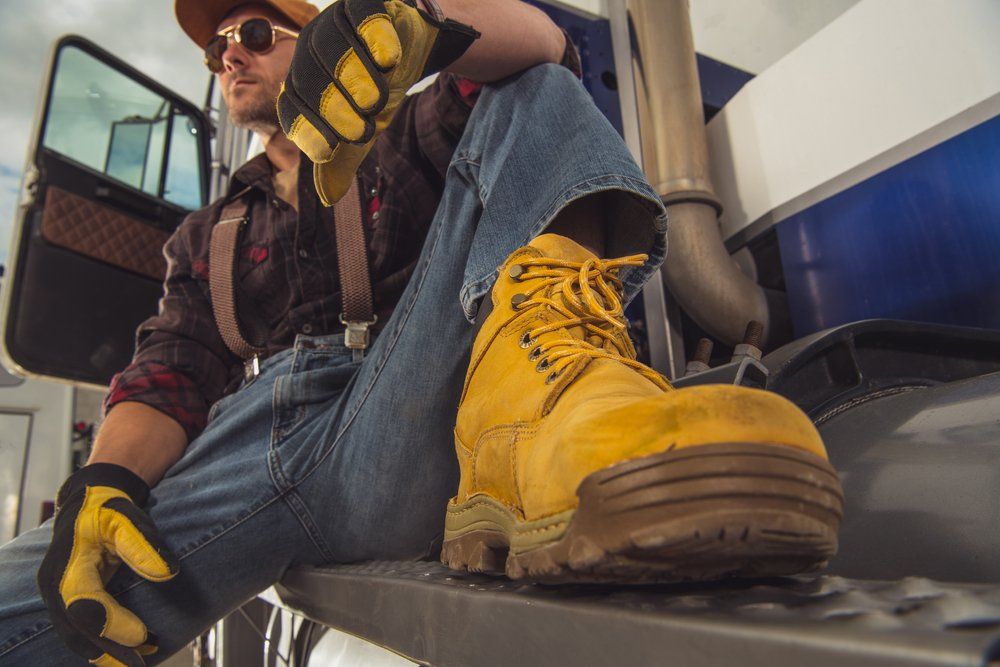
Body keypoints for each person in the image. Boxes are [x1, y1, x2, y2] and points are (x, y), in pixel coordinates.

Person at [0, 0, 844, 664]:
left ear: (313, 36)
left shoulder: (403, 133)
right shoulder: (203, 232)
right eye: (216, 46)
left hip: (397, 419)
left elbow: (546, 47)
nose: (230, 53)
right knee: (25, 603)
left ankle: (547, 419)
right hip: (244, 455)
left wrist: (417, 20)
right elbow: (171, 367)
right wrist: (102, 483)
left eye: (254, 31)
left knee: (535, 88)